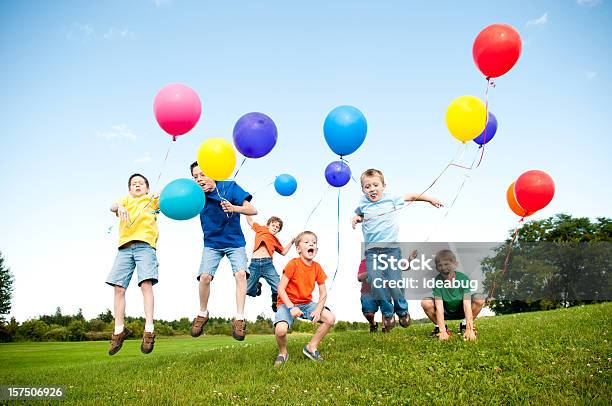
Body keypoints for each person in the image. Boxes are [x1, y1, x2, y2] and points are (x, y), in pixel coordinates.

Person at [352, 168, 442, 332]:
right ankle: (388, 313)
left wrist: (430, 199)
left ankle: (402, 310)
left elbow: (413, 196)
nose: (372, 189)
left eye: (375, 185)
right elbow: (359, 214)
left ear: (383, 186)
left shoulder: (391, 199)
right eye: (367, 186)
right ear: (363, 189)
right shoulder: (363, 203)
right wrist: (356, 218)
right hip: (372, 253)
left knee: (395, 283)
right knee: (376, 282)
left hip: (391, 250)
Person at [189, 162, 257, 341]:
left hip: (234, 242)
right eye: (195, 177)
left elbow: (252, 210)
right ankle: (202, 313)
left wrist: (234, 208)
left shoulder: (229, 187)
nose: (199, 180)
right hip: (212, 243)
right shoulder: (195, 196)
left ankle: (240, 319)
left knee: (241, 274)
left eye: (202, 175)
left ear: (213, 173)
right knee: (204, 277)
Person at [106, 173, 159, 355]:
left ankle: (149, 330)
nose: (137, 185)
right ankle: (119, 331)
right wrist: (119, 206)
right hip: (124, 248)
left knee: (146, 285)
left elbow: (171, 200)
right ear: (129, 189)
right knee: (118, 288)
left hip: (145, 246)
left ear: (147, 188)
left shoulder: (152, 200)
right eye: (134, 184)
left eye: (141, 183)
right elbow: (112, 206)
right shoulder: (126, 201)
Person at [273, 231, 335, 367]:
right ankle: (283, 353)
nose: (311, 243)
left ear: (316, 250)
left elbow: (323, 292)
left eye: (313, 242)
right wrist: (291, 307)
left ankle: (311, 347)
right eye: (306, 242)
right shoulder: (293, 264)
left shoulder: (317, 267)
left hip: (306, 303)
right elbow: (280, 288)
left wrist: (318, 310)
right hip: (286, 303)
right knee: (281, 330)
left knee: (330, 318)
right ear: (298, 249)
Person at [420, 249, 485, 341]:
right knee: (425, 302)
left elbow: (466, 304)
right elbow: (439, 307)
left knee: (479, 298)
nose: (443, 267)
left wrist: (469, 329)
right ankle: (441, 327)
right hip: (446, 310)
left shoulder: (463, 278)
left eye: (446, 264)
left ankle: (465, 324)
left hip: (461, 308)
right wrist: (442, 331)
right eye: (440, 265)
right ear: (437, 268)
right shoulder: (437, 281)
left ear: (455, 264)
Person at [245, 215, 294, 312]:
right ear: (268, 225)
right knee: (246, 290)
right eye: (273, 225)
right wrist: (246, 210)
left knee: (279, 287)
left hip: (267, 264)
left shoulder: (275, 240)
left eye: (277, 228)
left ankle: (274, 300)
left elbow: (283, 252)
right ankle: (256, 286)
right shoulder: (261, 229)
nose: (275, 228)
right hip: (254, 264)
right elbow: (250, 221)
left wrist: (292, 242)